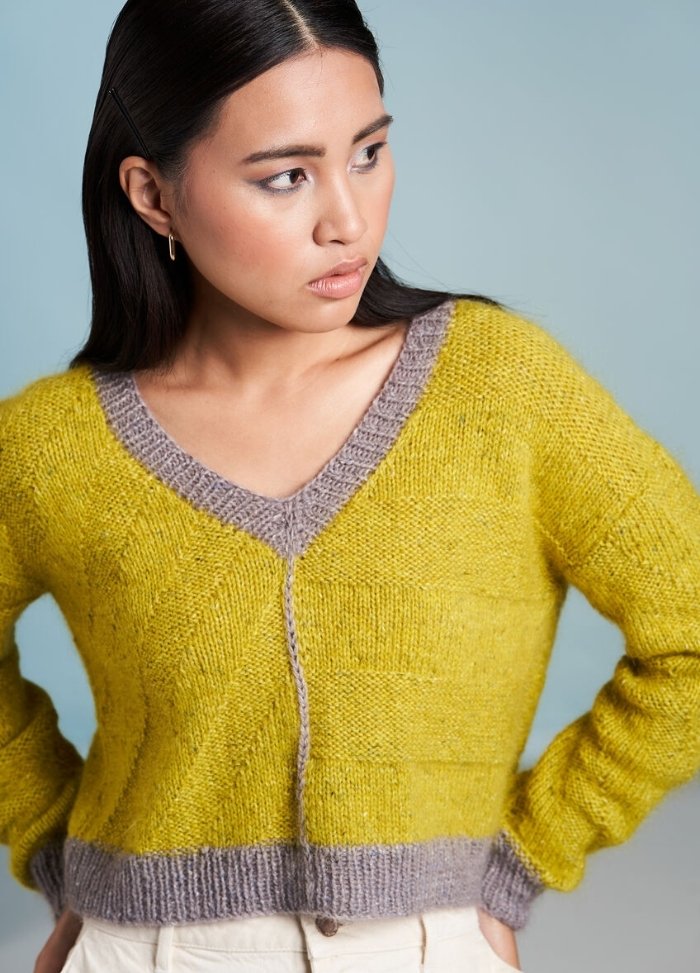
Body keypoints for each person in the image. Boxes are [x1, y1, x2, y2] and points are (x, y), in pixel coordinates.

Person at [1, 1, 698, 971]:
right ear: (153, 196)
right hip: (141, 949)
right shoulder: (50, 446)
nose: (347, 217)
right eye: (285, 175)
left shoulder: (501, 388)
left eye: (367, 153)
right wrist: (51, 842)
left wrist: (525, 858)